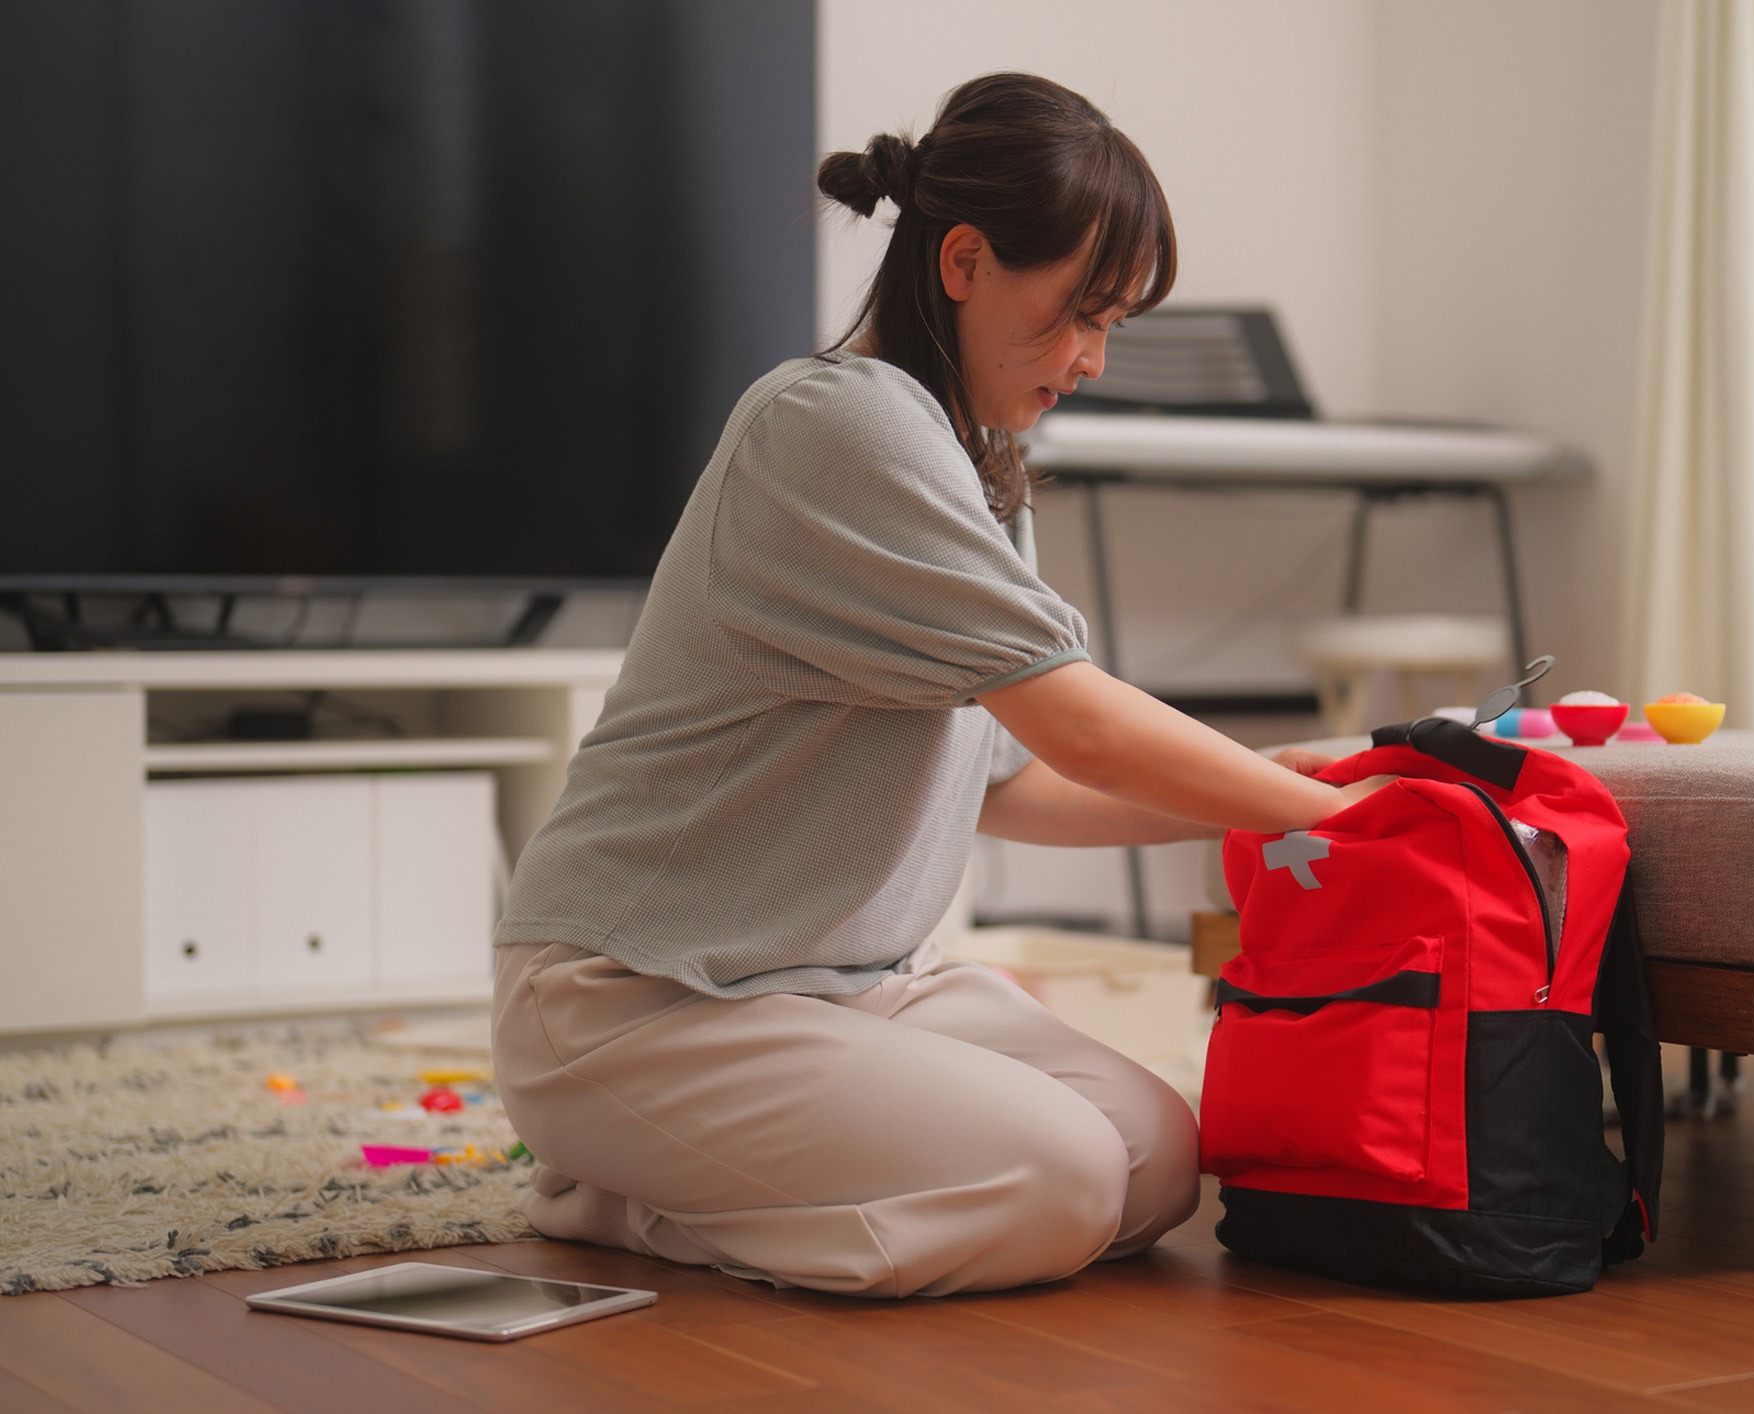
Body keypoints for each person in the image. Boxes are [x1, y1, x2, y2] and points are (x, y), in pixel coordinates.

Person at [488, 72, 1386, 1299]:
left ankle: (695, 1176)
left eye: (1113, 323)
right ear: (962, 260)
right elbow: (1082, 727)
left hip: (842, 992)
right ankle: (627, 1201)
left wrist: (1263, 788)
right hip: (637, 1000)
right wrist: (1330, 817)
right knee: (1065, 1184)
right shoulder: (836, 425)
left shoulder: (978, 469)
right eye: (1080, 312)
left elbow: (1013, 782)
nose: (1091, 359)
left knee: (1160, 1161)